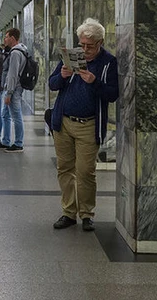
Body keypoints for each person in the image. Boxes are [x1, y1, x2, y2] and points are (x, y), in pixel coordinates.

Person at [48, 18, 119, 232]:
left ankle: (87, 213)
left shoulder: (108, 62)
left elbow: (113, 95)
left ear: (100, 42)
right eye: (82, 44)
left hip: (88, 125)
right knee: (65, 168)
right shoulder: (71, 57)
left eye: (90, 45)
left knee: (86, 171)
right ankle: (69, 212)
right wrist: (61, 76)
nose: (85, 49)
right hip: (64, 122)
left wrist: (94, 82)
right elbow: (52, 84)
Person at [0, 28, 27, 152]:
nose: (4, 39)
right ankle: (5, 140)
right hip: (12, 88)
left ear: (12, 38)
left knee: (16, 115)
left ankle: (18, 143)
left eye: (6, 37)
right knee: (5, 114)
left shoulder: (16, 53)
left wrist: (9, 93)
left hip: (13, 90)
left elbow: (12, 74)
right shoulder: (18, 50)